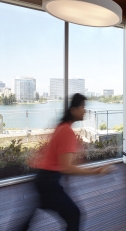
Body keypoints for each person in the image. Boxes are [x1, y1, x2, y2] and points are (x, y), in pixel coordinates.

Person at [21, 93, 114, 231]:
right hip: (49, 182)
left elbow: (56, 157)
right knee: (74, 215)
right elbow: (67, 168)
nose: (85, 110)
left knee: (29, 221)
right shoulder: (67, 132)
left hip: (42, 179)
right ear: (73, 110)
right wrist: (96, 171)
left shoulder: (61, 126)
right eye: (82, 107)